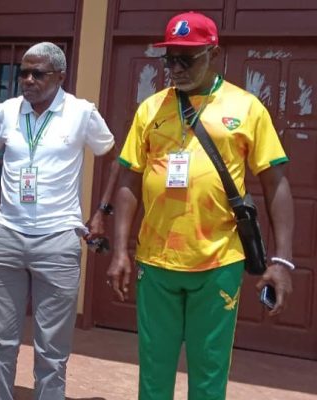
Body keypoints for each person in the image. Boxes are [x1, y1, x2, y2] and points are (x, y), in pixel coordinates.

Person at [106, 12, 295, 400]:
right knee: (154, 371)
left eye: (186, 59)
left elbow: (275, 183)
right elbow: (129, 179)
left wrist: (282, 261)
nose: (175, 69)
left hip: (218, 263)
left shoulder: (246, 108)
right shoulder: (150, 109)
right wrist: (121, 250)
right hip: (156, 263)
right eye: (169, 59)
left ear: (214, 54)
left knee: (209, 373)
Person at [0, 42, 116, 400]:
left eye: (37, 73)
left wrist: (102, 211)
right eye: (23, 72)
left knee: (52, 347)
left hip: (58, 240)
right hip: (8, 235)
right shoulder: (8, 110)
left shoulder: (82, 112)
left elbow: (112, 155)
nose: (27, 80)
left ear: (60, 76)